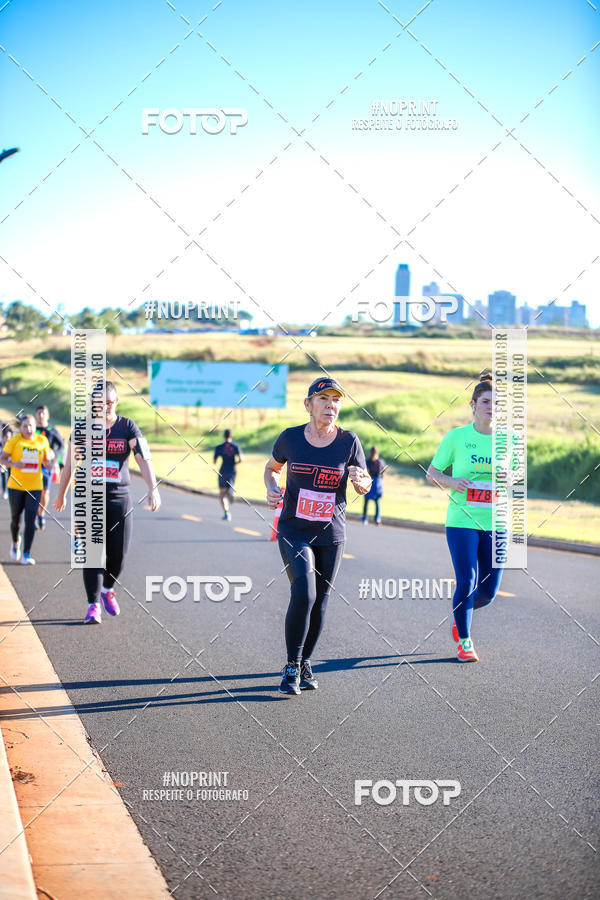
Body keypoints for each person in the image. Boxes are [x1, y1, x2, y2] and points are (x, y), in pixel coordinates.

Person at [264, 376, 371, 694]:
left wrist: (360, 483)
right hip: (294, 529)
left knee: (321, 600)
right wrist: (272, 488)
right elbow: (272, 468)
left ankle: (306, 661)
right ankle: (291, 666)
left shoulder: (349, 441)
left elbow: (364, 483)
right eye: (324, 399)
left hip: (332, 533)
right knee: (304, 593)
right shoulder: (291, 438)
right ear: (308, 405)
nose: (331, 405)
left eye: (336, 400)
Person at [53, 381, 161, 624]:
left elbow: (143, 458)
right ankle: (92, 606)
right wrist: (61, 494)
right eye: (100, 404)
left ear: (117, 401)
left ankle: (107, 589)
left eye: (110, 403)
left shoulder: (127, 427)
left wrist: (153, 488)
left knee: (117, 556)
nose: (105, 408)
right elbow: (70, 464)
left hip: (119, 498)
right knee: (93, 554)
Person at [426, 373, 506, 663]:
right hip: (462, 518)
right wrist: (451, 481)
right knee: (467, 579)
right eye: (486, 401)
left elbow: (519, 475)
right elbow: (432, 472)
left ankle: (460, 619)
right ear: (473, 404)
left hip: (496, 522)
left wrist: (511, 476)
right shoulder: (457, 438)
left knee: (489, 590)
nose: (491, 407)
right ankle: (465, 640)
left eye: (497, 403)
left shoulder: (509, 440)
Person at [0, 415, 54, 564]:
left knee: (30, 519)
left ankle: (26, 554)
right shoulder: (14, 441)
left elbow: (46, 459)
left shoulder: (41, 440)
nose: (28, 429)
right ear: (20, 428)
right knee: (15, 520)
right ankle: (16, 541)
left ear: (35, 426)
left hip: (35, 486)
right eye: (25, 426)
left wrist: (49, 464)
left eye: (31, 425)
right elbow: (2, 459)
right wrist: (13, 465)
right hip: (16, 486)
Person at [35, 404, 64, 530]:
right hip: (31, 466)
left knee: (44, 492)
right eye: (39, 413)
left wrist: (54, 454)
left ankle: (41, 514)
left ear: (48, 415)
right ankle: (33, 513)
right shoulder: (31, 428)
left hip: (46, 465)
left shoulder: (52, 430)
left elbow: (62, 446)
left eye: (43, 413)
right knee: (32, 492)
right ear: (36, 415)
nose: (41, 415)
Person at [213, 429, 243, 520]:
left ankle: (226, 513)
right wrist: (236, 463)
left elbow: (214, 461)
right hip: (232, 470)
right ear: (231, 436)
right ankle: (231, 492)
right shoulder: (235, 446)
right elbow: (241, 459)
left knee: (222, 493)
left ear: (224, 437)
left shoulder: (219, 447)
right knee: (230, 486)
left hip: (223, 470)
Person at [362, 446, 386, 525]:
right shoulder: (381, 461)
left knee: (366, 501)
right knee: (377, 502)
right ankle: (377, 519)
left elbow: (365, 472)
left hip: (370, 481)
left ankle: (365, 518)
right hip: (377, 482)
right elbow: (383, 473)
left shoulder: (368, 461)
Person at [0, 422, 14, 500]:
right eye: (6, 436)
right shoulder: (1, 444)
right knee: (3, 475)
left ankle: (8, 490)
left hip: (10, 463)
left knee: (9, 476)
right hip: (3, 463)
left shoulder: (12, 444)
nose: (8, 438)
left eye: (9, 436)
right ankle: (4, 490)